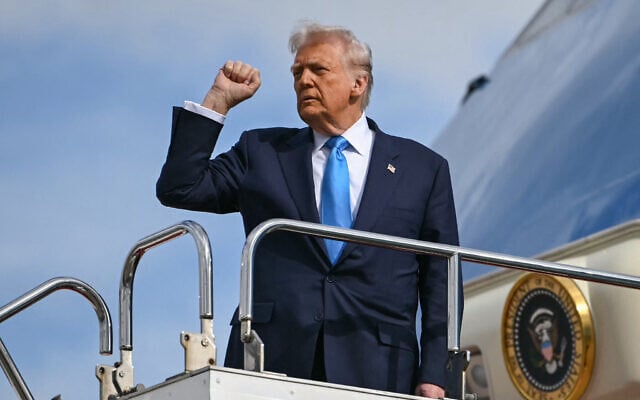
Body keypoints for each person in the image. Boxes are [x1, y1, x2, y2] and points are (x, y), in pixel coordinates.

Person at [156, 22, 461, 398]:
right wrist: (218, 99)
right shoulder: (262, 152)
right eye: (297, 72)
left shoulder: (423, 168)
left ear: (358, 84)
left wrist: (434, 374)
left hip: (378, 369)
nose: (303, 80)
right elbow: (180, 187)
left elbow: (441, 280)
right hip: (270, 366)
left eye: (318, 70)